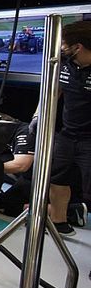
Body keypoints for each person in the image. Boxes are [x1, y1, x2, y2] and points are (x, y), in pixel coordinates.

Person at [47, 20, 91, 237]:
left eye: (65, 44)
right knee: (57, 178)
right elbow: (55, 91)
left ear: (79, 46)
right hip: (67, 134)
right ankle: (59, 221)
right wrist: (38, 116)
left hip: (89, 140)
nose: (62, 47)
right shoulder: (65, 64)